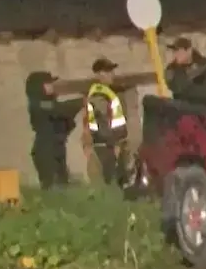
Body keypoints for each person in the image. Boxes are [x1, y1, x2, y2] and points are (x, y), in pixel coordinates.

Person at [25, 71, 82, 188]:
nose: (52, 86)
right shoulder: (38, 104)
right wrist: (82, 101)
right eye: (48, 83)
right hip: (46, 151)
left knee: (63, 185)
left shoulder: (48, 102)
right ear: (38, 87)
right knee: (52, 186)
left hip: (57, 149)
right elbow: (60, 110)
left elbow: (64, 114)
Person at [85, 58, 128, 186]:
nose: (112, 74)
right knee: (113, 180)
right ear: (99, 74)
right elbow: (103, 121)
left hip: (110, 143)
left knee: (118, 179)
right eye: (108, 71)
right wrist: (114, 143)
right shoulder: (99, 93)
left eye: (112, 71)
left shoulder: (106, 92)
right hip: (107, 145)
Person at [165, 37, 206, 104]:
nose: (175, 54)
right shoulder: (172, 69)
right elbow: (174, 87)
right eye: (174, 51)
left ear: (189, 50)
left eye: (178, 51)